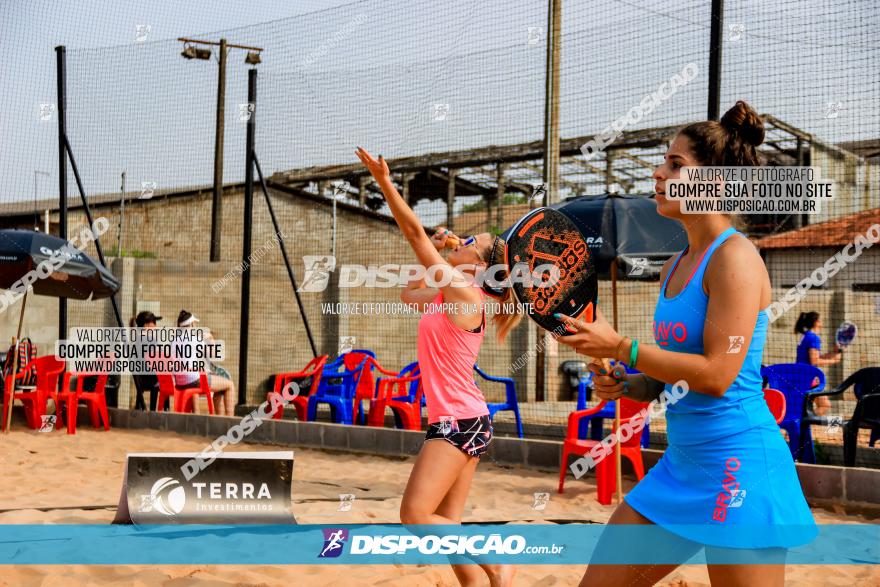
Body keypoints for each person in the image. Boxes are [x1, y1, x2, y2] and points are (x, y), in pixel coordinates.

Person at [556, 101, 816, 586]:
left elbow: (718, 375)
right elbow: (667, 380)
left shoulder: (735, 257)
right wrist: (626, 383)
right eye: (663, 160)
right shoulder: (677, 263)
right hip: (682, 466)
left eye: (676, 164)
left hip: (739, 465)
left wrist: (623, 347)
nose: (658, 173)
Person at [356, 146, 518, 587]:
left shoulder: (467, 296)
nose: (464, 239)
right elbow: (409, 292)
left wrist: (385, 183)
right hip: (466, 418)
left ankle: (495, 562)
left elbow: (413, 236)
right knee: (445, 525)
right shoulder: (458, 291)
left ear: (482, 268)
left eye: (473, 243)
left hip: (459, 420)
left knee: (414, 514)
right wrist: (449, 254)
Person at [174, 310, 235, 416]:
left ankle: (217, 418)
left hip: (180, 382)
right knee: (229, 385)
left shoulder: (174, 341)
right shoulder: (195, 339)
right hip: (194, 381)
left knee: (219, 388)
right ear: (192, 324)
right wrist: (211, 339)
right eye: (195, 323)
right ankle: (230, 419)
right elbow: (213, 354)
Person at [794, 311, 842, 416]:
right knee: (825, 406)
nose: (821, 322)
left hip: (800, 376)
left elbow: (815, 356)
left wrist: (834, 354)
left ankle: (800, 425)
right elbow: (815, 361)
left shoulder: (806, 336)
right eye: (819, 320)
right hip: (807, 378)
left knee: (803, 407)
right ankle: (801, 424)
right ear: (815, 322)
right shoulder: (814, 338)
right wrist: (834, 361)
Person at [130, 311, 162, 410]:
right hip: (151, 380)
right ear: (146, 325)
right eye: (154, 323)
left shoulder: (136, 340)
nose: (156, 326)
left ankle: (139, 406)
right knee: (166, 380)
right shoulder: (151, 340)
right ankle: (156, 410)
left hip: (140, 379)